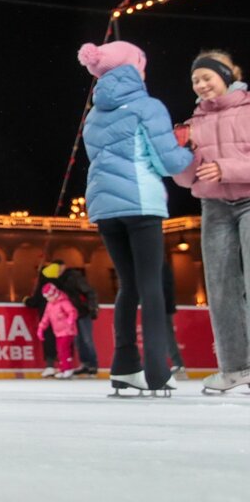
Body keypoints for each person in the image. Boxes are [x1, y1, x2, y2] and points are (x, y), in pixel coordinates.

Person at [78, 41, 193, 395]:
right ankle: (158, 370)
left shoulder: (94, 114)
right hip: (141, 203)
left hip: (104, 208)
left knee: (128, 285)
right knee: (151, 285)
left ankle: (125, 366)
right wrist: (187, 149)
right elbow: (167, 162)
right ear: (135, 69)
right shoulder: (148, 107)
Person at [171, 49, 250, 393]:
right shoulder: (194, 122)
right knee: (220, 288)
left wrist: (225, 168)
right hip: (214, 207)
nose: (201, 85)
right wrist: (182, 156)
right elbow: (185, 180)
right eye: (195, 80)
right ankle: (235, 368)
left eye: (207, 77)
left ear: (227, 76)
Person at [42, 259, 100, 377]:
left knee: (87, 339)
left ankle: (92, 365)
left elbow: (89, 291)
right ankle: (85, 364)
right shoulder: (58, 281)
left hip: (82, 311)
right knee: (78, 340)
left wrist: (93, 307)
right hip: (70, 315)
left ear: (63, 266)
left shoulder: (74, 277)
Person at [36, 283, 79, 379]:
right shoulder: (49, 305)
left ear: (54, 294)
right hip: (58, 332)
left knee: (64, 349)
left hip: (67, 331)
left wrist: (70, 320)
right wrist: (41, 328)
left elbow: (72, 311)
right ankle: (63, 369)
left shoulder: (64, 302)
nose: (48, 299)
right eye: (46, 297)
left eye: (49, 297)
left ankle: (67, 368)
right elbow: (45, 318)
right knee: (60, 350)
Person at [162, 256, 187, 381]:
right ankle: (176, 365)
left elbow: (167, 287)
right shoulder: (162, 266)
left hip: (162, 306)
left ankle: (178, 365)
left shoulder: (161, 267)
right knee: (163, 336)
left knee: (166, 335)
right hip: (163, 305)